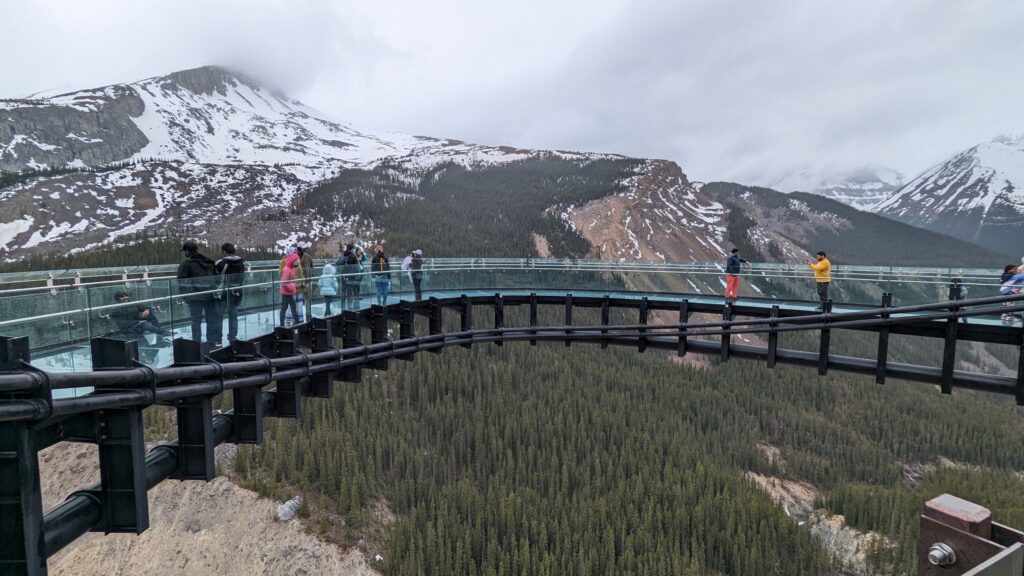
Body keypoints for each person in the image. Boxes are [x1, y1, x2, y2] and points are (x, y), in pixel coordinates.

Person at [176, 240, 222, 344]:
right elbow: (218, 279)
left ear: (187, 251)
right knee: (211, 320)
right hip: (210, 296)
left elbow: (181, 282)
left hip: (195, 298)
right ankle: (211, 342)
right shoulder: (209, 261)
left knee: (196, 322)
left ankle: (196, 344)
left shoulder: (186, 263)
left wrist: (187, 297)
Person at [214, 243, 246, 343]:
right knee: (233, 316)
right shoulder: (241, 263)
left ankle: (217, 339)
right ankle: (232, 337)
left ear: (224, 252)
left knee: (219, 317)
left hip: (223, 293)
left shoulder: (221, 263)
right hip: (237, 292)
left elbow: (214, 278)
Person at [280, 247, 301, 325]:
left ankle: (296, 320)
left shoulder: (291, 268)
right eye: (297, 260)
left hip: (288, 292)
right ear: (293, 261)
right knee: (285, 307)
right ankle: (282, 323)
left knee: (292, 306)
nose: (298, 261)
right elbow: (284, 282)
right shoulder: (288, 270)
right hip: (286, 292)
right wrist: (292, 287)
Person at [337, 243, 361, 310]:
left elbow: (338, 265)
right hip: (351, 277)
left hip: (343, 276)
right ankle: (349, 309)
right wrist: (357, 275)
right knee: (350, 293)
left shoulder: (342, 255)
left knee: (343, 292)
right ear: (352, 249)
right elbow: (357, 268)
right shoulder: (353, 256)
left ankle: (343, 308)